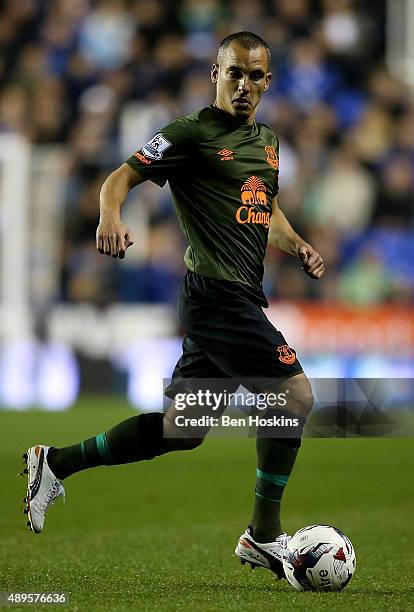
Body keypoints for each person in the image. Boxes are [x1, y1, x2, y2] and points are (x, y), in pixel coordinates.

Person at [23, 32, 324, 580]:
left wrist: (297, 243)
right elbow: (118, 179)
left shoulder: (270, 143)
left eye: (255, 76)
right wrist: (110, 215)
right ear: (215, 73)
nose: (244, 86)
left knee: (181, 430)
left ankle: (54, 462)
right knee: (295, 397)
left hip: (235, 297)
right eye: (234, 73)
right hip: (216, 297)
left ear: (267, 82)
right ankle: (263, 535)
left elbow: (264, 206)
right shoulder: (191, 134)